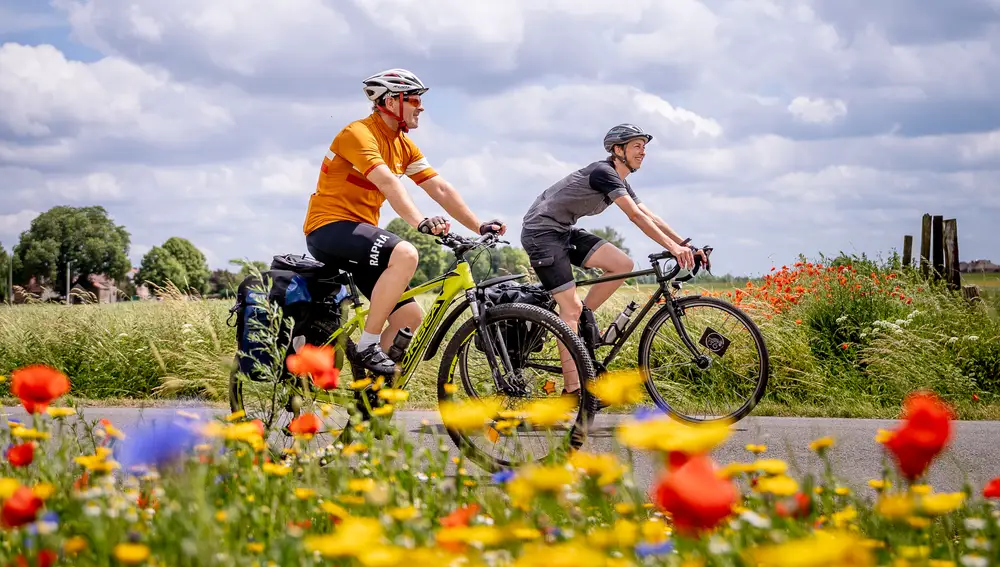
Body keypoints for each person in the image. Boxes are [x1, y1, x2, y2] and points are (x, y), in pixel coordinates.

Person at [303, 68, 506, 378]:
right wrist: (420, 221)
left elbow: (439, 188)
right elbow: (388, 183)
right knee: (405, 253)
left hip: (361, 236)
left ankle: (371, 396)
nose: (421, 107)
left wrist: (478, 226)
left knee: (409, 317)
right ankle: (368, 345)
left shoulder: (403, 145)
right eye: (414, 100)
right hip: (328, 228)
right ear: (390, 101)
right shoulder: (358, 134)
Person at [520, 123, 707, 399]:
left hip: (563, 231)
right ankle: (573, 390)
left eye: (644, 147)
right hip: (541, 233)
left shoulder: (620, 180)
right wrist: (672, 248)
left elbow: (649, 215)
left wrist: (684, 245)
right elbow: (635, 216)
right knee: (569, 310)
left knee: (622, 265)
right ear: (618, 150)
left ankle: (580, 321)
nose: (643, 152)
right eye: (637, 146)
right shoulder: (603, 173)